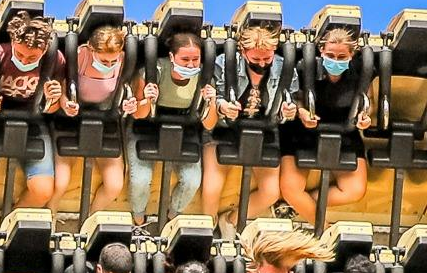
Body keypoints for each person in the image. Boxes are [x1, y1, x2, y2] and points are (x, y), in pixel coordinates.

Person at [0, 8, 64, 217]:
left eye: (32, 57)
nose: (25, 61)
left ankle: (11, 221)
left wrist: (53, 99)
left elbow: (53, 108)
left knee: (43, 190)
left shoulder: (56, 61)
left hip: (32, 124)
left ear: (44, 50)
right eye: (20, 55)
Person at [276, 18, 374, 225]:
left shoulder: (361, 73)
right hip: (302, 130)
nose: (335, 61)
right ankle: (326, 231)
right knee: (291, 188)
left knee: (355, 190)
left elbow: (368, 102)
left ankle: (301, 205)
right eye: (330, 56)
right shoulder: (305, 67)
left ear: (351, 55)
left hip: (344, 132)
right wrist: (302, 112)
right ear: (321, 51)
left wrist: (365, 118)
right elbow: (296, 98)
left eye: (341, 57)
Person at [209, 19, 293, 224]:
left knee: (271, 191)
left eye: (267, 58)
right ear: (243, 52)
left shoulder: (283, 67)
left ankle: (230, 222)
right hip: (226, 129)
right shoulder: (224, 63)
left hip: (264, 131)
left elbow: (291, 99)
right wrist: (222, 107)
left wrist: (288, 112)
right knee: (212, 186)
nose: (262, 64)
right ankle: (207, 228)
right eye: (256, 58)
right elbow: (214, 96)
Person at [126, 27, 213, 223]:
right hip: (147, 128)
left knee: (191, 181)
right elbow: (139, 115)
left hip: (184, 130)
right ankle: (139, 219)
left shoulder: (203, 78)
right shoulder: (153, 72)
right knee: (140, 180)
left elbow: (209, 124)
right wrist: (147, 100)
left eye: (195, 60)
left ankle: (172, 216)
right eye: (185, 60)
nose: (191, 65)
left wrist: (211, 102)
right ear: (172, 57)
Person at [65, 16, 135, 215]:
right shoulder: (81, 55)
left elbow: (124, 91)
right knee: (61, 180)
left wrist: (128, 105)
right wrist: (66, 103)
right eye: (104, 60)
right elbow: (63, 87)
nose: (109, 63)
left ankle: (90, 217)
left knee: (114, 185)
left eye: (113, 60)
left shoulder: (121, 61)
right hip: (73, 118)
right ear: (91, 49)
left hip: (104, 119)